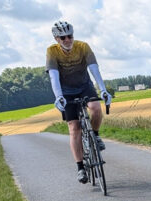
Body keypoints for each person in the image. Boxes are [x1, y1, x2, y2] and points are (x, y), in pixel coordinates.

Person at [46, 20, 112, 184]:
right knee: (74, 128)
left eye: (70, 36)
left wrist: (103, 89)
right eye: (63, 37)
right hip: (66, 91)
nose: (67, 40)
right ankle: (80, 168)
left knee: (96, 108)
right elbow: (53, 76)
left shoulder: (83, 47)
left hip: (84, 86)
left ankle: (95, 136)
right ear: (56, 39)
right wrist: (58, 96)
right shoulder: (52, 52)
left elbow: (94, 69)